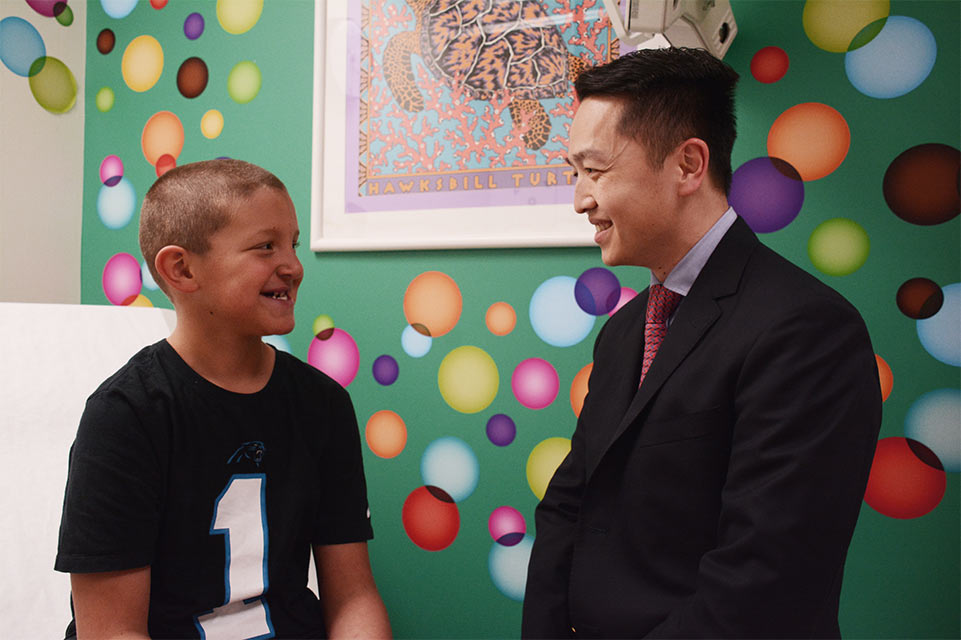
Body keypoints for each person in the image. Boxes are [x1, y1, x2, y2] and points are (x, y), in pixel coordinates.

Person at [522, 48, 882, 638]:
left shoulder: (807, 331)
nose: (580, 198)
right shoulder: (623, 331)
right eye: (575, 172)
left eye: (596, 169)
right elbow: (569, 506)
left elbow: (767, 580)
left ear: (688, 164)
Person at [55, 159, 391, 639]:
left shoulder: (323, 404)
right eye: (265, 246)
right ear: (182, 268)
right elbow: (112, 631)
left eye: (293, 244)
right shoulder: (127, 415)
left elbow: (354, 598)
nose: (294, 266)